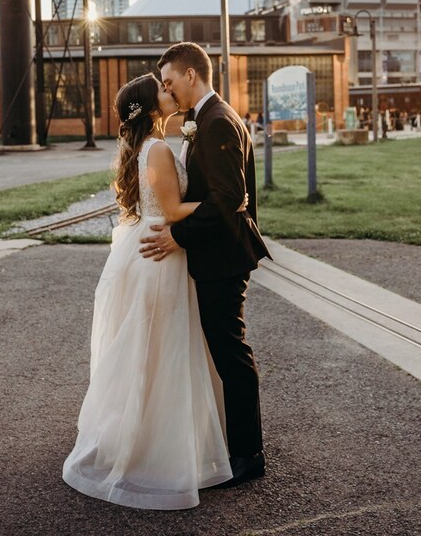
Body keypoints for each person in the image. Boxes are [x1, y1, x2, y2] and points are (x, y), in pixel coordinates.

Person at [62, 73, 233, 509]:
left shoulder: (148, 146)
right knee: (165, 349)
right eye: (162, 88)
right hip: (162, 256)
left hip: (149, 249)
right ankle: (158, 450)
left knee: (151, 350)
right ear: (151, 106)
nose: (168, 91)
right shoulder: (156, 149)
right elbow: (172, 209)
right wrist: (224, 203)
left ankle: (150, 437)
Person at [141, 42, 271, 489]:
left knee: (231, 354)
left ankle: (248, 455)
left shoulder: (216, 121)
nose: (168, 90)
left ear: (191, 75)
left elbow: (228, 201)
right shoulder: (206, 119)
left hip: (223, 258)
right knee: (224, 352)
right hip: (216, 255)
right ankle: (237, 444)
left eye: (170, 81)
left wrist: (178, 236)